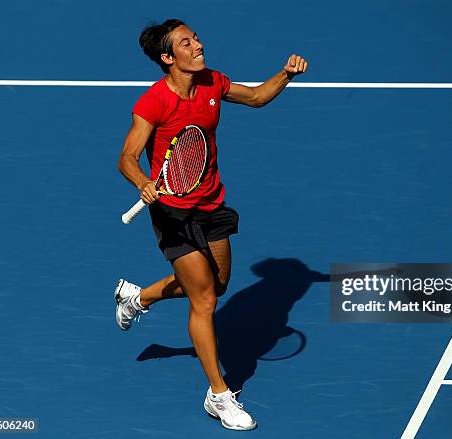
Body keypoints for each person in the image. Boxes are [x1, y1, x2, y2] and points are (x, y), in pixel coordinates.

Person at [115, 18, 308, 431]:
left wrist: (286, 75)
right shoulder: (153, 103)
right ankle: (219, 395)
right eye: (187, 42)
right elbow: (127, 157)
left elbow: (256, 98)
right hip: (172, 213)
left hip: (212, 204)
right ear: (168, 58)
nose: (197, 44)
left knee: (216, 285)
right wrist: (143, 181)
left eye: (196, 37)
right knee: (204, 301)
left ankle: (139, 298)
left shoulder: (211, 83)